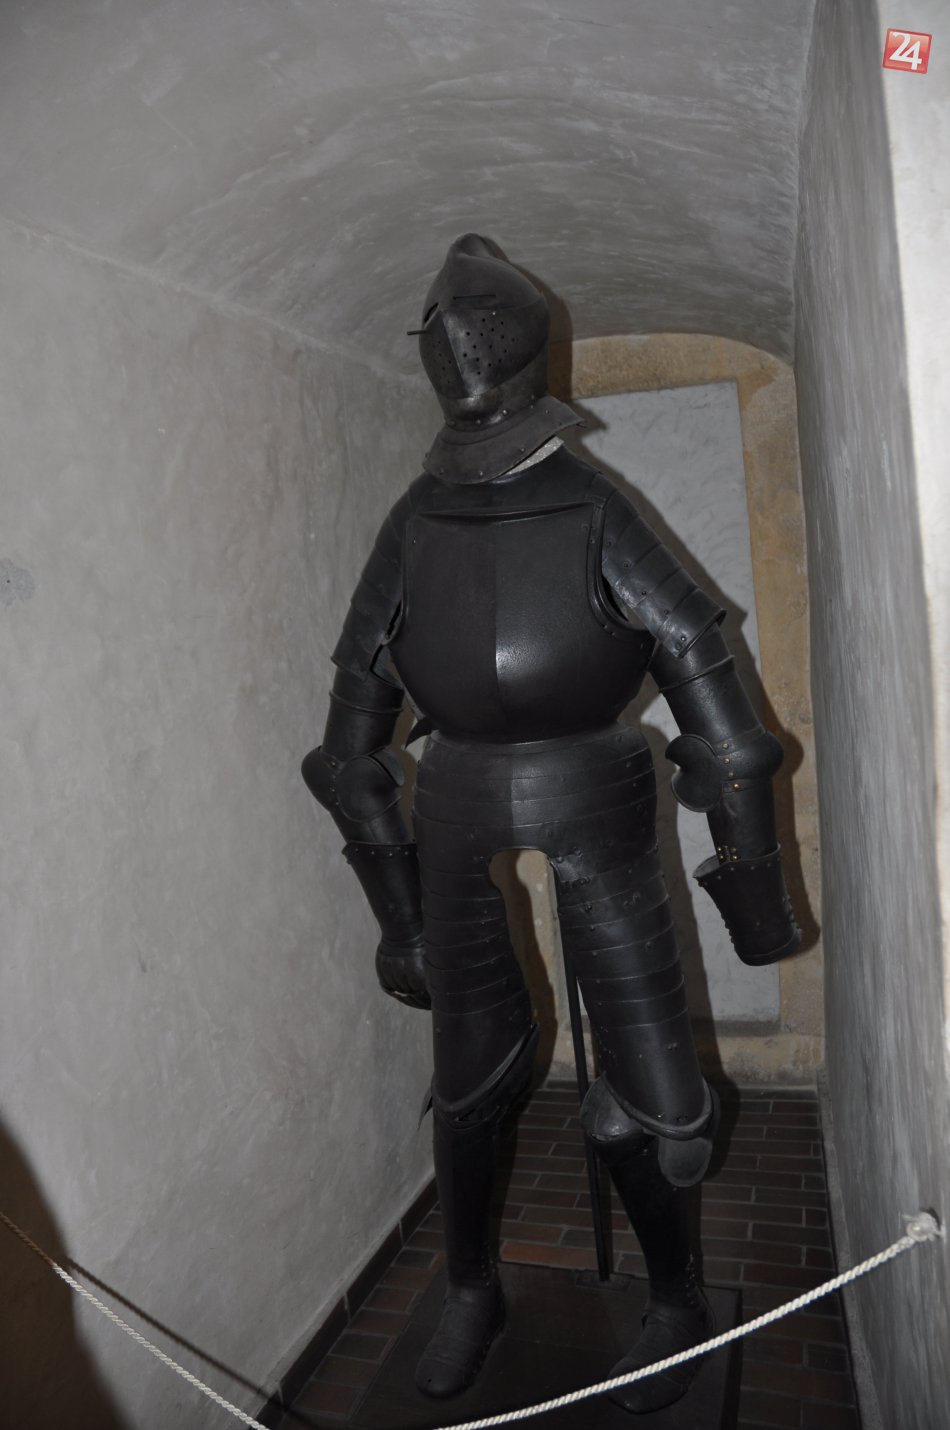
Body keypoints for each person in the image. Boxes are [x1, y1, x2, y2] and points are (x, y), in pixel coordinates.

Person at [302, 234, 800, 1414]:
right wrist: (401, 920)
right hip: (462, 797)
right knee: (469, 1078)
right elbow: (347, 754)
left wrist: (754, 898)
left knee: (653, 1096)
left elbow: (347, 753)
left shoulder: (577, 508)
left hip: (588, 796)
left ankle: (673, 1298)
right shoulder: (429, 521)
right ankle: (471, 1287)